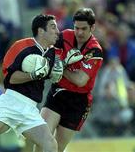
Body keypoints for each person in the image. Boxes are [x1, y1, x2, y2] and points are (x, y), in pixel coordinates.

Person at [0, 14, 61, 152]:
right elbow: (11, 78)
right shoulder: (22, 46)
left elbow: (50, 74)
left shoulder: (52, 53)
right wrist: (33, 74)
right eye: (53, 27)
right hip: (11, 104)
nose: (57, 31)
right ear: (41, 31)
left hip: (30, 109)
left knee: (50, 144)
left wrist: (56, 73)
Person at [35, 8, 103, 152]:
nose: (79, 32)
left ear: (93, 27)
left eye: (84, 29)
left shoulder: (95, 50)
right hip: (58, 92)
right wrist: (52, 61)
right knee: (42, 140)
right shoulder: (64, 35)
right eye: (76, 28)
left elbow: (80, 80)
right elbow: (47, 49)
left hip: (78, 101)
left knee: (58, 148)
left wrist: (61, 66)